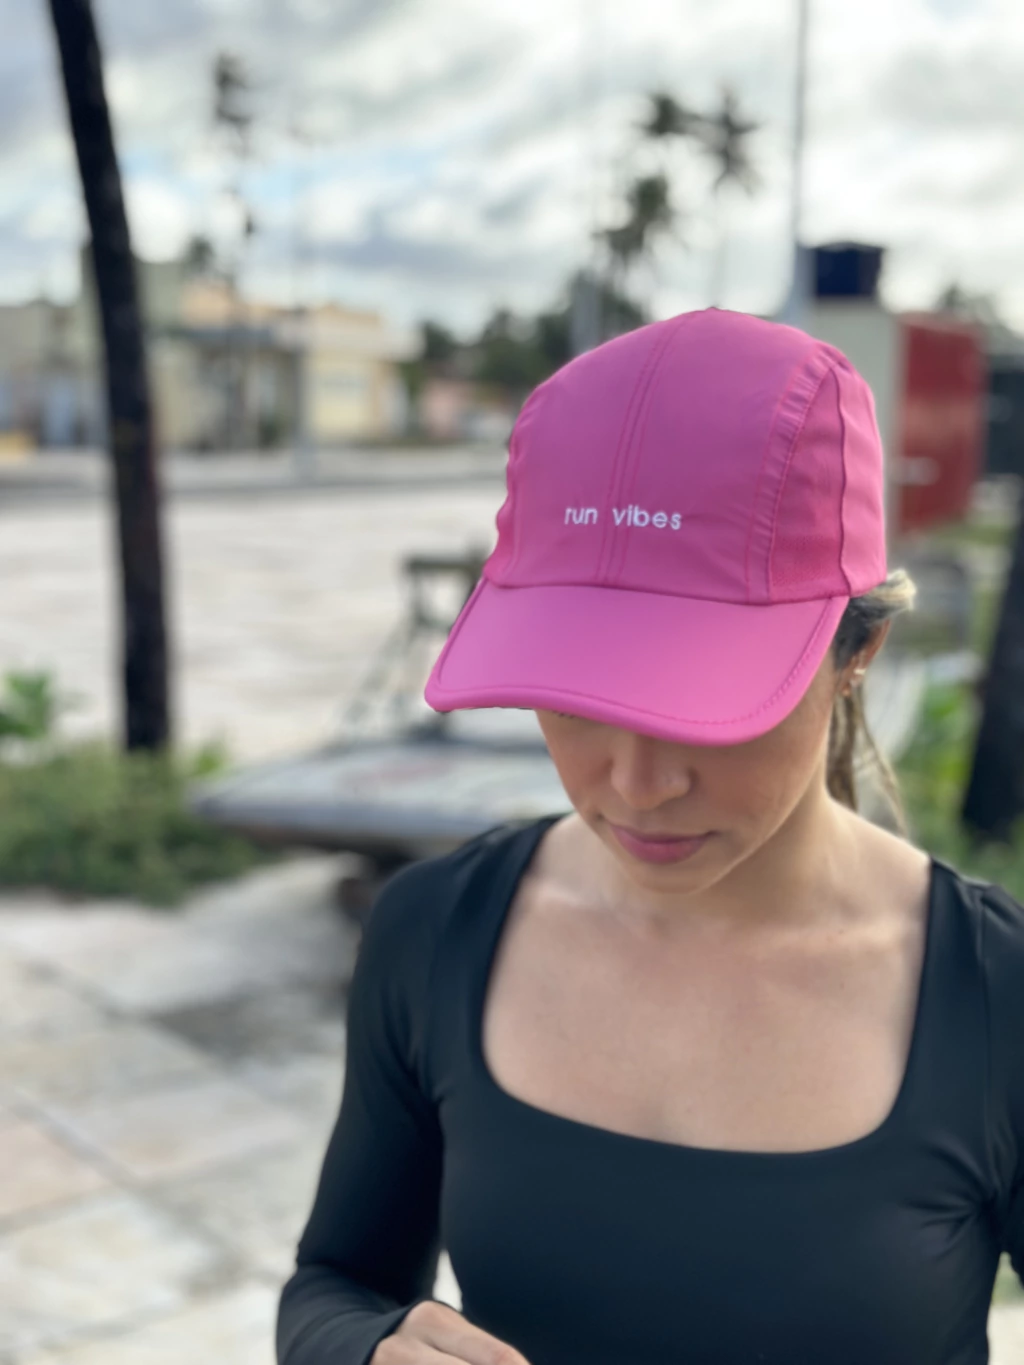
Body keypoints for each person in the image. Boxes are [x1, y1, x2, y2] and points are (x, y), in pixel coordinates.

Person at [276, 308, 1024, 1365]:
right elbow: (337, 1280)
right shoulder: (435, 933)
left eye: (708, 696)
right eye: (574, 690)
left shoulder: (993, 997)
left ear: (858, 649)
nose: (635, 784)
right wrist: (366, 1349)